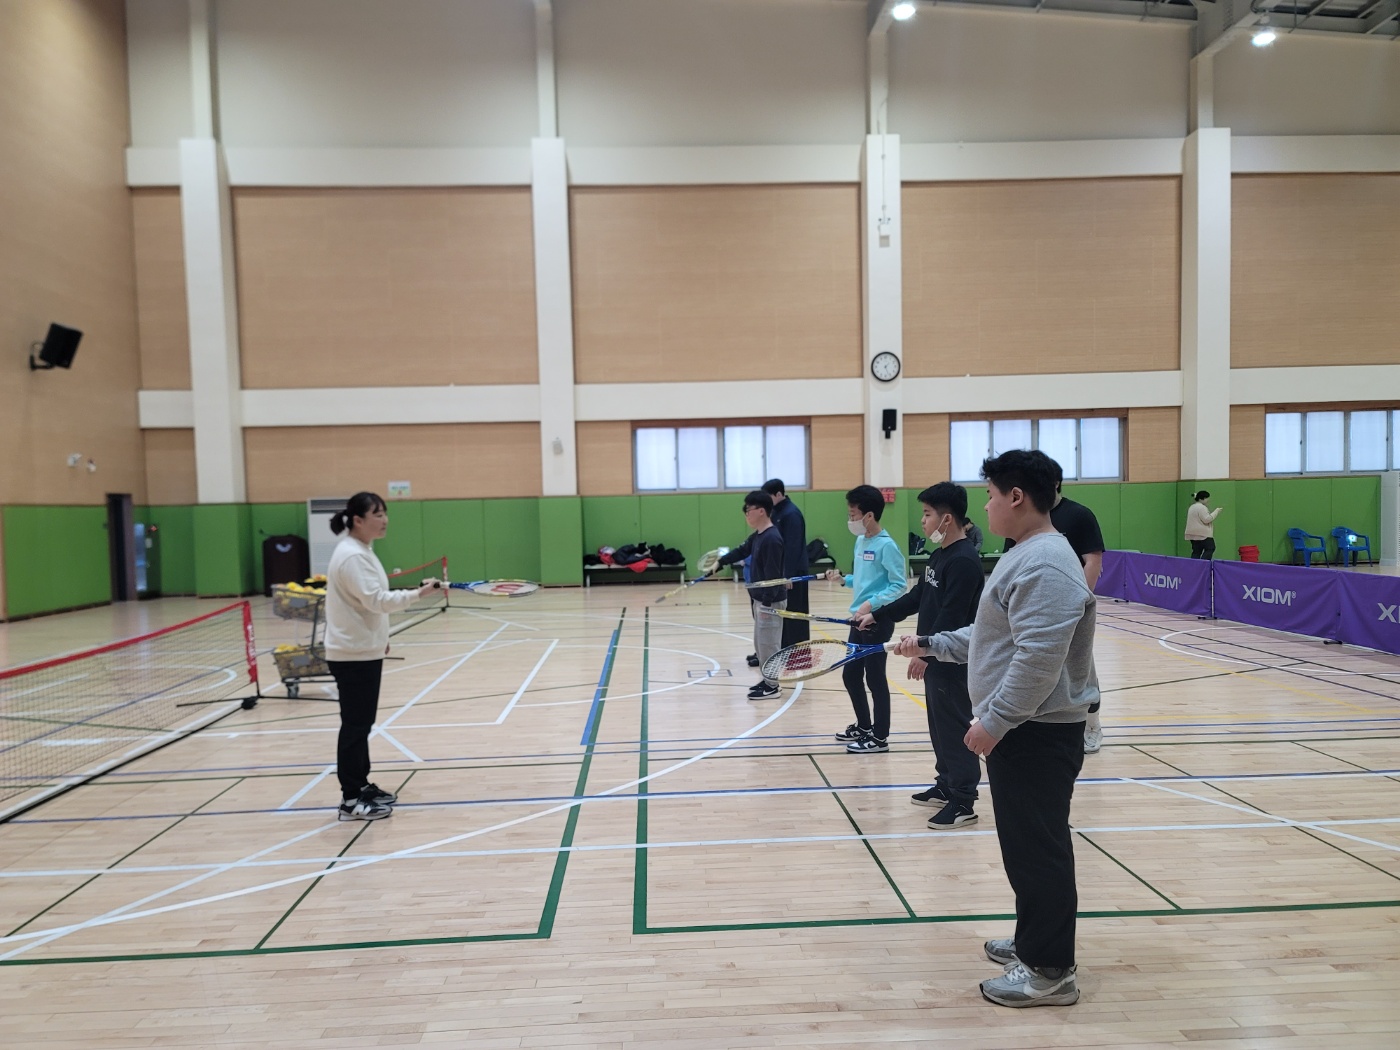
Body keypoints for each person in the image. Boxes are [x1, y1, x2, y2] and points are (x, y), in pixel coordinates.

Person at [895, 449, 1097, 1008]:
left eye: (989, 495)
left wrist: (997, 720)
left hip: (1036, 732)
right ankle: (1034, 941)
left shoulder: (1047, 564)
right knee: (1024, 848)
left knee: (1038, 850)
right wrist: (930, 644)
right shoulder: (1024, 555)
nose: (984, 506)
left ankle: (1050, 971)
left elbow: (1038, 659)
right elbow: (992, 637)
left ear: (1016, 497)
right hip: (1023, 730)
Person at [859, 483, 984, 829]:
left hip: (953, 661)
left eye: (927, 514)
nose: (922, 521)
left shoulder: (964, 561)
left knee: (955, 727)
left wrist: (925, 653)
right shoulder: (940, 555)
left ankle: (963, 800)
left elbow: (952, 616)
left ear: (947, 519)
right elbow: (918, 598)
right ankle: (946, 784)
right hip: (934, 654)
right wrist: (879, 615)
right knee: (939, 726)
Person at [325, 492, 441, 821]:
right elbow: (376, 600)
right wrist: (418, 594)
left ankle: (361, 785)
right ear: (357, 520)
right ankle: (350, 800)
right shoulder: (351, 556)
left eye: (385, 513)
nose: (384, 519)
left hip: (363, 649)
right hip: (351, 654)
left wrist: (380, 638)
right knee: (355, 726)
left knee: (362, 724)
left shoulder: (362, 550)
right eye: (377, 514)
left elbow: (365, 605)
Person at [1001, 460, 1105, 754]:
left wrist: (1076, 601)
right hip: (1030, 608)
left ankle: (1092, 725)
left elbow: (1093, 560)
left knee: (1082, 671)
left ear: (1055, 484)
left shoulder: (1080, 515)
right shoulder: (1025, 519)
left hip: (1069, 610)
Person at [824, 485, 906, 754]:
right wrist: (843, 580)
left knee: (875, 678)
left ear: (869, 516)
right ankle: (863, 726)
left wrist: (872, 605)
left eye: (853, 515)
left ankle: (880, 737)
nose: (850, 520)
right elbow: (864, 580)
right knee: (851, 675)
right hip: (857, 620)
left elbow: (899, 585)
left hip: (877, 621)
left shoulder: (887, 546)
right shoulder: (861, 541)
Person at [714, 491, 787, 700]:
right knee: (761, 644)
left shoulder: (772, 538)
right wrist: (721, 562)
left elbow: (773, 576)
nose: (746, 514)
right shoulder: (759, 535)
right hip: (759, 599)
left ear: (761, 511)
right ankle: (767, 679)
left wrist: (766, 604)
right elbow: (741, 550)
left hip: (769, 601)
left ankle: (772, 686)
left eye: (748, 510)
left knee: (769, 644)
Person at [762, 479, 810, 649]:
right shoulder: (776, 512)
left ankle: (798, 653)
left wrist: (787, 575)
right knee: (782, 615)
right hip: (781, 572)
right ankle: (781, 650)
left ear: (778, 494)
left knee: (795, 615)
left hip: (794, 573)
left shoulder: (791, 514)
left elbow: (793, 547)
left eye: (768, 497)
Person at [1185, 490, 1223, 559]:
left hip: (1192, 534)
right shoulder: (1202, 507)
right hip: (1202, 534)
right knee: (1210, 548)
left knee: (1196, 552)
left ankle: (1194, 565)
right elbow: (1207, 519)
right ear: (1201, 499)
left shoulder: (1192, 507)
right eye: (1206, 498)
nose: (1208, 500)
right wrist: (1216, 511)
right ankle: (1204, 564)